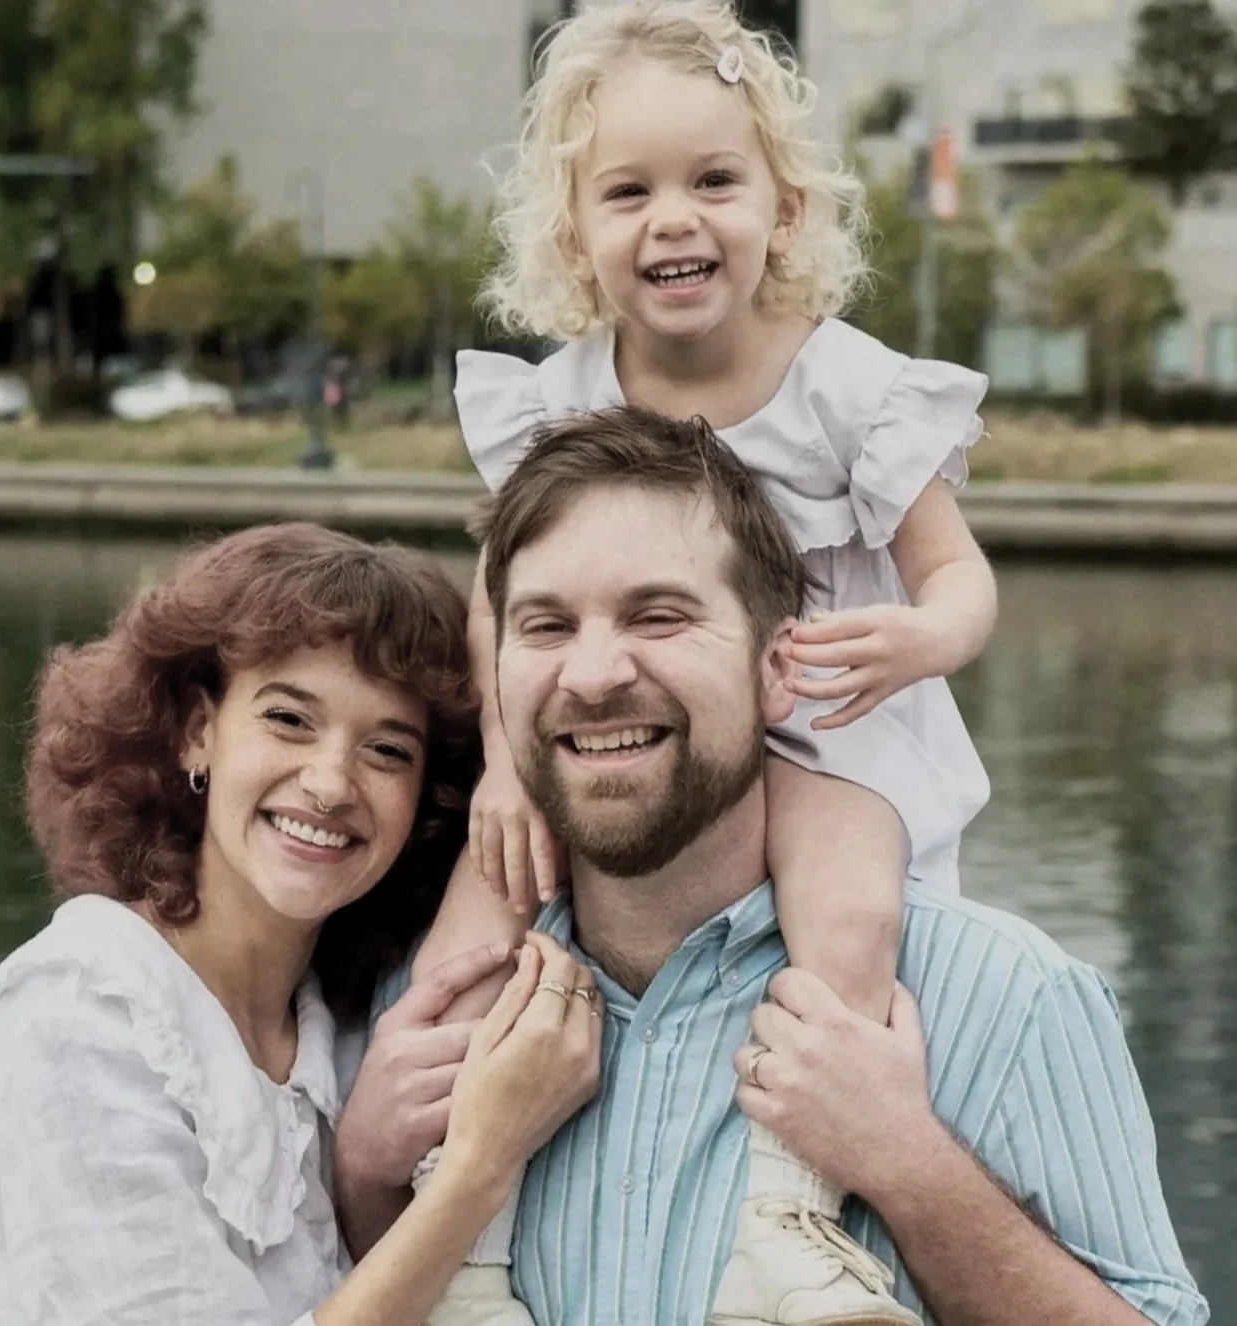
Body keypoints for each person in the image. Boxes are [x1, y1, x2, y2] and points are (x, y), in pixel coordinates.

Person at [349, 407, 1208, 1326]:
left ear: (775, 668)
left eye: (660, 615)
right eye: (547, 626)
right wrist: (364, 1171)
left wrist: (913, 1171)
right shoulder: (418, 1026)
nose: (593, 674)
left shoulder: (1003, 998)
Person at [412, 2, 995, 1321]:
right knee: (476, 907)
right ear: (576, 237)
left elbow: (958, 576)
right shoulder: (560, 400)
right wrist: (503, 766)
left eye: (712, 181)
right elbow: (494, 601)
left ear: (782, 211)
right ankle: (469, 1230)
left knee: (846, 906)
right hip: (633, 730)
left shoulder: (846, 386)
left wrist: (916, 637)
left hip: (831, 725)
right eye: (629, 192)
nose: (672, 218)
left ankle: (786, 1210)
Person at [0, 523, 602, 1326]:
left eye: (387, 750)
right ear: (197, 732)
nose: (330, 784)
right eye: (289, 720)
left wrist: (364, 1174)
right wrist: (479, 1165)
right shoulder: (82, 1020)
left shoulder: (328, 1026)